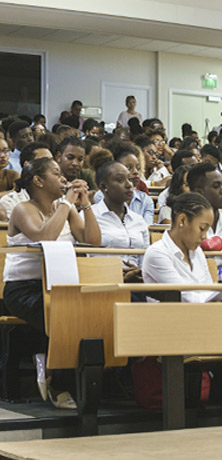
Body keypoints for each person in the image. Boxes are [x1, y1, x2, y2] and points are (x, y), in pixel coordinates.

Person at [3, 157, 100, 409]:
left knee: (89, 318)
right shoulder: (23, 209)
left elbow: (92, 240)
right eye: (56, 174)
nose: (64, 179)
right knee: (66, 320)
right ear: (38, 180)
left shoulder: (65, 207)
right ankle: (58, 382)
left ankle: (53, 369)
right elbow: (44, 237)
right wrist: (67, 203)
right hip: (24, 288)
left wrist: (86, 204)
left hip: (60, 284)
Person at [92, 161, 148, 281]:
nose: (129, 185)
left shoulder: (138, 220)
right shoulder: (90, 217)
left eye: (129, 179)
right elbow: (88, 259)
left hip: (137, 283)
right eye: (120, 180)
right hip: (104, 282)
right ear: (103, 186)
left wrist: (139, 272)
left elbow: (146, 259)